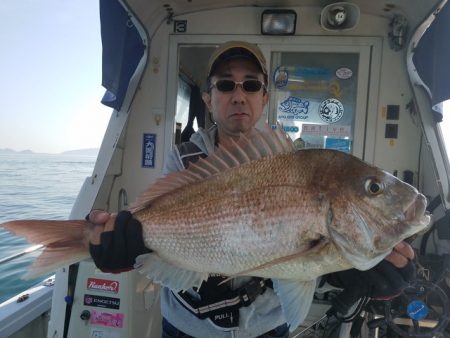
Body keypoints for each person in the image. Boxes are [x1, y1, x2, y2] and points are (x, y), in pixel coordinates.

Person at [87, 41, 416, 338]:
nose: (239, 95)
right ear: (208, 99)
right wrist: (124, 246)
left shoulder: (297, 161)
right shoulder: (183, 158)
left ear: (264, 97)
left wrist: (359, 274)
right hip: (188, 327)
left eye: (251, 85)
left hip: (266, 329)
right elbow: (158, 230)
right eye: (226, 84)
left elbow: (306, 264)